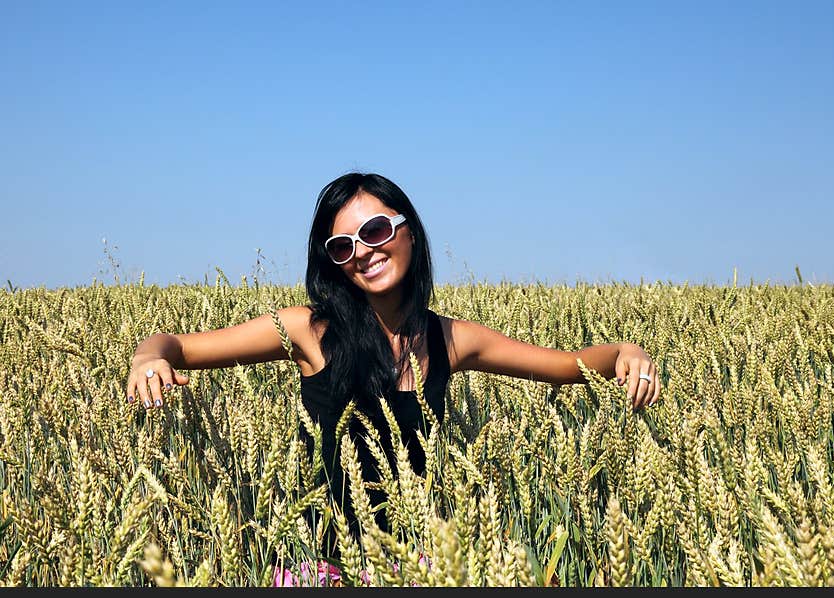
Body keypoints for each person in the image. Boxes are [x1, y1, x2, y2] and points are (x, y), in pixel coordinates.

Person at [126, 172, 661, 551]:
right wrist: (148, 358)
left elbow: (569, 365)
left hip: (416, 567)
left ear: (408, 230)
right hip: (320, 565)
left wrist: (624, 353)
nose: (363, 251)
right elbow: (177, 346)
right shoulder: (309, 331)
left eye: (376, 231)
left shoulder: (451, 340)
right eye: (342, 246)